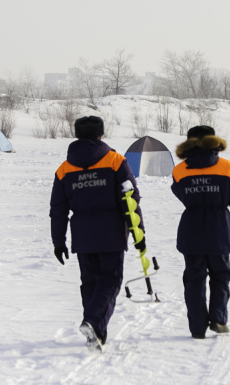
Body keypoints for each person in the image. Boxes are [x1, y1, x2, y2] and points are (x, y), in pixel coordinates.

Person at [50, 116, 144, 352]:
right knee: (110, 281)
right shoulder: (115, 160)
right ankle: (92, 322)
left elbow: (58, 209)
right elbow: (130, 199)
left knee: (90, 283)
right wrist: (137, 232)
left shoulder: (64, 168)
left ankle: (95, 334)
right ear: (101, 135)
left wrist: (58, 241)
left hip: (82, 235)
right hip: (111, 232)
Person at [171, 125, 230, 340]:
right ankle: (219, 318)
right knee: (220, 276)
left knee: (194, 278)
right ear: (213, 140)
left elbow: (181, 195)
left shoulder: (179, 170)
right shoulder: (228, 167)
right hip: (219, 227)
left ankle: (197, 327)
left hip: (191, 227)